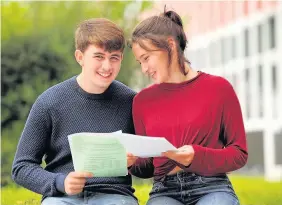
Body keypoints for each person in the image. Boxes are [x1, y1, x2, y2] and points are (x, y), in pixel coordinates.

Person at [12, 18, 139, 205]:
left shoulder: (131, 101)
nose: (107, 66)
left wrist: (135, 162)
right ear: (80, 57)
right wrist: (60, 182)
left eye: (114, 58)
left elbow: (150, 165)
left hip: (115, 195)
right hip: (62, 198)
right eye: (99, 56)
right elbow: (21, 167)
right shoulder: (50, 102)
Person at [128, 9, 248, 205]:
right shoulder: (142, 101)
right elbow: (147, 167)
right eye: (140, 61)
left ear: (170, 45)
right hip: (164, 190)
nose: (144, 68)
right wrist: (133, 163)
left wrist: (196, 156)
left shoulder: (219, 88)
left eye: (146, 58)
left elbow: (239, 153)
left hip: (212, 186)